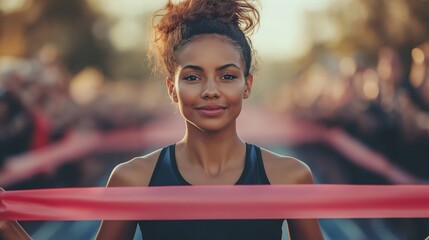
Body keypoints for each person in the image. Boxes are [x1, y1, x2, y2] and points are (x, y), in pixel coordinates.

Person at [1, 0, 323, 239]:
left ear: (247, 85)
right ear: (172, 88)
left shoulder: (290, 177)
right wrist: (7, 224)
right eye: (194, 78)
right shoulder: (132, 179)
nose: (211, 91)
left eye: (226, 76)